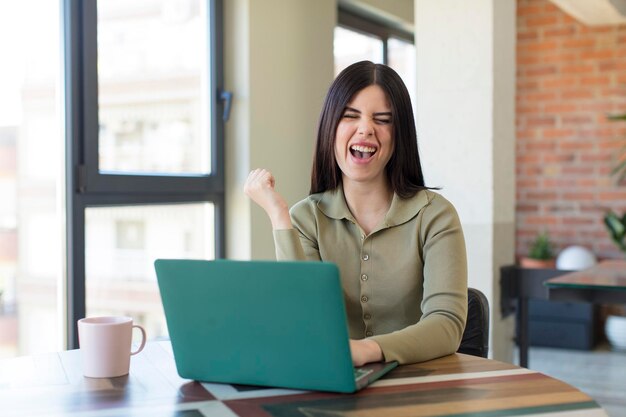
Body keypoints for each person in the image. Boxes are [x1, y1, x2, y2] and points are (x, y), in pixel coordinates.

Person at [244, 61, 467, 366]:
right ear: (331, 127)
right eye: (350, 115)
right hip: (334, 384)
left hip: (419, 385)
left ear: (399, 135)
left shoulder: (436, 216)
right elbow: (305, 320)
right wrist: (279, 215)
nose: (365, 129)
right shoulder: (306, 218)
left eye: (383, 119)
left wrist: (367, 350)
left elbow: (446, 325)